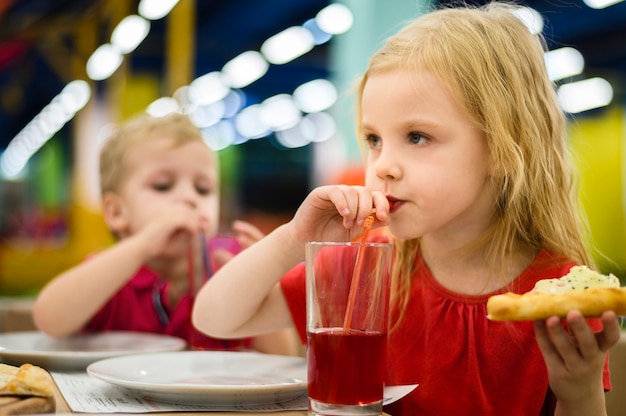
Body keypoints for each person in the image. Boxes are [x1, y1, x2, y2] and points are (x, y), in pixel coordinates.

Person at [191, 2, 622, 415]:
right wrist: (293, 238)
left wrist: (580, 389)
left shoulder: (556, 291)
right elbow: (217, 318)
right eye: (374, 139)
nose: (383, 167)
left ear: (504, 150)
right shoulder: (370, 268)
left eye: (417, 136)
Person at [32, 112, 297, 355]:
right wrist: (144, 243)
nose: (188, 198)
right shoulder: (108, 275)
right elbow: (49, 319)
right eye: (163, 186)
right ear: (116, 212)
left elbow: (283, 356)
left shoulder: (231, 264)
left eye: (203, 189)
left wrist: (260, 283)